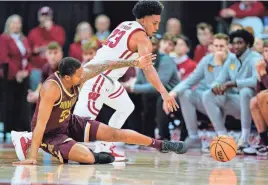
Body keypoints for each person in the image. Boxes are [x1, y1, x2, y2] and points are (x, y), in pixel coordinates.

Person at [12, 0, 179, 161]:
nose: (157, 28)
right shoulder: (142, 38)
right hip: (100, 78)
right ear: (144, 19)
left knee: (126, 106)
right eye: (155, 23)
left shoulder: (125, 25)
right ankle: (27, 137)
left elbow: (109, 46)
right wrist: (165, 93)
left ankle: (106, 146)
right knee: (77, 123)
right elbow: (148, 69)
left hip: (108, 78)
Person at [13, 56, 186, 165]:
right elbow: (40, 124)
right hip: (49, 134)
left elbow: (104, 64)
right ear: (66, 77)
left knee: (114, 133)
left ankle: (162, 145)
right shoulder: (51, 88)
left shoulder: (78, 75)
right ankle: (94, 156)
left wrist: (134, 62)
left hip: (69, 121)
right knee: (86, 158)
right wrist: (32, 157)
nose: (83, 77)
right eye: (79, 76)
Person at [164, 33, 234, 151]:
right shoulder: (207, 59)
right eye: (216, 46)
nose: (218, 49)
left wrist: (217, 64)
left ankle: (223, 137)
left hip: (229, 100)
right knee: (185, 93)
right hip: (209, 101)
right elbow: (191, 79)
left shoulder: (234, 60)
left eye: (222, 46)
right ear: (211, 46)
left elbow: (217, 86)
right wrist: (172, 94)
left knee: (208, 94)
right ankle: (193, 137)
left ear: (228, 46)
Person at [202, 29, 263, 152]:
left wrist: (234, 83)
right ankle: (223, 138)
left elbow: (257, 80)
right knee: (208, 94)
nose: (236, 46)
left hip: (255, 105)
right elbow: (219, 79)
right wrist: (216, 86)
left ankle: (244, 140)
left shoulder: (255, 58)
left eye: (240, 43)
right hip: (237, 103)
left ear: (248, 44)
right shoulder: (232, 59)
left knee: (246, 91)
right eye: (234, 43)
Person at [244, 39, 268, 156]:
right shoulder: (266, 66)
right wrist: (259, 77)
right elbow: (260, 92)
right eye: (266, 51)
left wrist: (263, 73)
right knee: (254, 100)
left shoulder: (266, 68)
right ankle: (266, 144)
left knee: (263, 96)